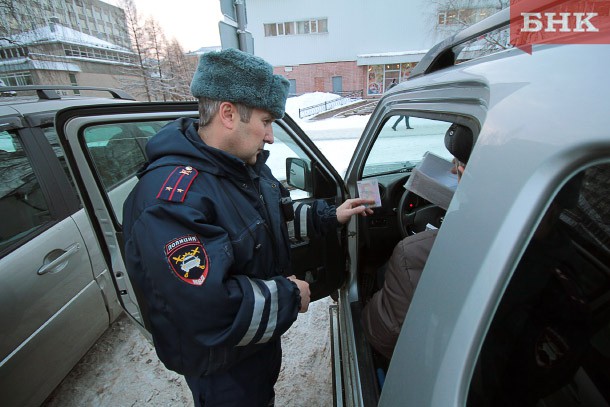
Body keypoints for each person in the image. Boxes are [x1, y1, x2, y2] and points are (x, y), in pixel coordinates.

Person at [122, 48, 373, 407]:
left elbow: (270, 225)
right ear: (228, 113)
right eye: (266, 121)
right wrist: (289, 296)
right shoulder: (172, 201)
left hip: (251, 347)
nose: (270, 136)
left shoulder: (245, 168)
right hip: (223, 366)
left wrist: (330, 215)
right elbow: (207, 309)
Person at [361, 123, 472, 360]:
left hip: (423, 351)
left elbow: (382, 334)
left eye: (455, 164)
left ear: (462, 172)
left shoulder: (411, 254)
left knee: (384, 273)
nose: (452, 171)